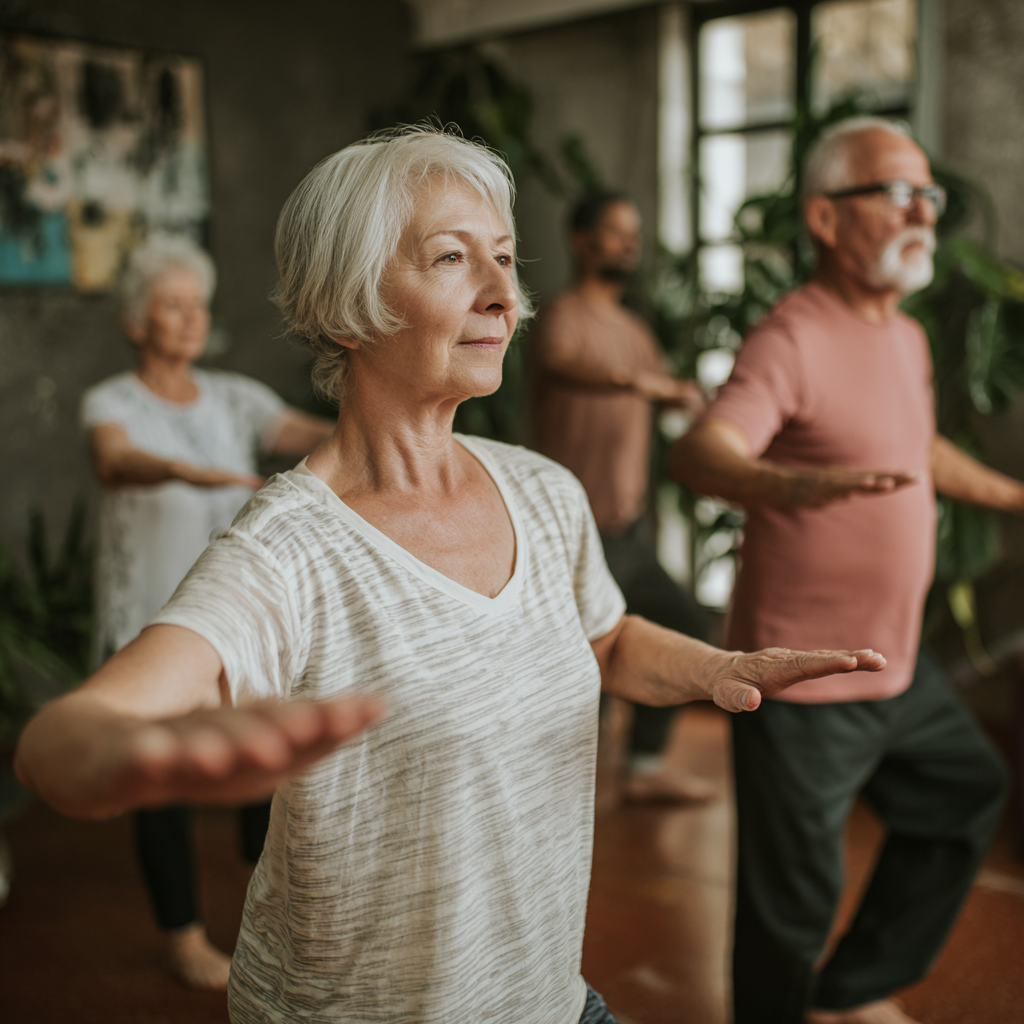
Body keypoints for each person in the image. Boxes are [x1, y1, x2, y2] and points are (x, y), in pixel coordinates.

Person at [17, 125, 885, 1024]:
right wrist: (125, 757)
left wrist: (717, 668)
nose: (505, 296)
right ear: (350, 304)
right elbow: (63, 741)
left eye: (506, 260)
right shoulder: (289, 549)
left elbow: (607, 638)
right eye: (452, 258)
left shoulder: (544, 491)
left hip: (553, 1000)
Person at [672, 117, 1016, 1024]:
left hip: (895, 664)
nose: (923, 212)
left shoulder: (903, 336)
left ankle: (852, 991)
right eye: (896, 193)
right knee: (790, 906)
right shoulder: (792, 338)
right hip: (802, 677)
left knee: (964, 791)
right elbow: (704, 453)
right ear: (825, 218)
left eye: (928, 195)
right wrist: (786, 483)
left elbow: (918, 446)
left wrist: (1015, 497)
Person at [80, 235, 335, 989]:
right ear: (136, 321)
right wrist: (184, 471)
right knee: (158, 785)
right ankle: (183, 937)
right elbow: (112, 459)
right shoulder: (113, 402)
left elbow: (312, 432)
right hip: (148, 621)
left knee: (263, 770)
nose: (191, 319)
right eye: (171, 305)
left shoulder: (235, 396)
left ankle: (272, 909)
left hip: (236, 620)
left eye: (198, 305)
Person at [530, 191, 714, 803]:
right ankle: (556, 787)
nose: (628, 243)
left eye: (633, 232)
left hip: (627, 530)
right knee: (574, 662)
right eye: (614, 231)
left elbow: (670, 404)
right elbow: (559, 364)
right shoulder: (560, 315)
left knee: (681, 624)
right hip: (564, 533)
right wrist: (635, 382)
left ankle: (642, 767)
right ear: (580, 241)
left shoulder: (636, 332)